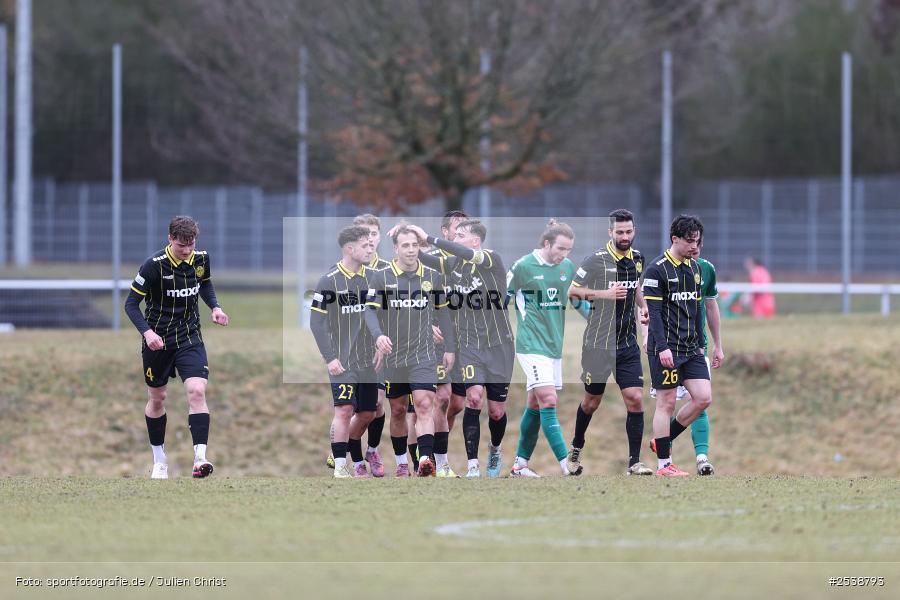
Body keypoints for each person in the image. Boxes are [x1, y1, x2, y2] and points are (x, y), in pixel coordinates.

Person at [403, 220, 514, 478]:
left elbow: (461, 253)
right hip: (469, 346)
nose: (455, 238)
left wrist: (429, 238)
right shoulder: (453, 265)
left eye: (461, 235)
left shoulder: (490, 259)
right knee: (473, 398)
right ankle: (473, 464)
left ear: (475, 241)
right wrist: (406, 238)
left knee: (497, 411)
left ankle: (495, 448)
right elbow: (421, 258)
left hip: (499, 345)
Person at [125, 216, 230, 480]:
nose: (187, 251)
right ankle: (160, 461)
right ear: (170, 238)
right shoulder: (153, 266)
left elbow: (204, 283)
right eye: (182, 245)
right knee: (157, 398)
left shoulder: (201, 258)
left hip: (189, 337)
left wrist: (215, 307)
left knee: (196, 391)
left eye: (191, 245)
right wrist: (147, 333)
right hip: (158, 342)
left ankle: (200, 458)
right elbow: (130, 305)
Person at [566, 209, 653, 476]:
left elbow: (635, 287)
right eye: (620, 232)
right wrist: (604, 293)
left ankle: (634, 462)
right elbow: (572, 292)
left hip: (626, 343)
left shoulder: (638, 258)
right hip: (597, 345)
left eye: (629, 231)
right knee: (592, 402)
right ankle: (577, 448)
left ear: (634, 231)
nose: (625, 236)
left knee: (635, 398)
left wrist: (643, 306)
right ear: (610, 233)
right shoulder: (595, 261)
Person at [364, 225, 455, 477]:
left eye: (415, 245)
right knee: (399, 410)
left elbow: (443, 312)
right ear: (395, 249)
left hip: (423, 354)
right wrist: (378, 335)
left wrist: (449, 347)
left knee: (425, 404)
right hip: (394, 356)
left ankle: (425, 459)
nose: (411, 250)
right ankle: (402, 461)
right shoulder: (381, 277)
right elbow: (369, 310)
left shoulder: (432, 277)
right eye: (406, 245)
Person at [646, 236, 724, 475]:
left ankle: (665, 440)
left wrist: (709, 344)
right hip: (668, 348)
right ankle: (664, 464)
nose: (695, 247)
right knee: (666, 402)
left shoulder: (701, 269)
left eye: (699, 242)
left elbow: (704, 306)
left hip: (692, 348)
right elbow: (651, 312)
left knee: (703, 399)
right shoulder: (657, 270)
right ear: (675, 239)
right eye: (690, 241)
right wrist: (658, 345)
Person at [507, 220, 579, 477]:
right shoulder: (523, 266)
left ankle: (520, 464)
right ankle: (566, 464)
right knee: (548, 399)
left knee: (536, 405)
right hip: (530, 344)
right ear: (546, 244)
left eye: (569, 250)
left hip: (553, 346)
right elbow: (500, 300)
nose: (565, 255)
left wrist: (597, 321)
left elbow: (576, 298)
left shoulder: (567, 267)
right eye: (561, 248)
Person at [309, 226, 379, 478]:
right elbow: (316, 323)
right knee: (344, 410)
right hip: (343, 360)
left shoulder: (373, 277)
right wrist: (331, 358)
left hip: (370, 361)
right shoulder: (329, 280)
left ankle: (338, 450)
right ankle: (340, 465)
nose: (370, 249)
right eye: (365, 245)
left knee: (368, 413)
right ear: (350, 249)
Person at [325, 214, 390, 476]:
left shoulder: (385, 270)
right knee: (349, 407)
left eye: (374, 234)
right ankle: (350, 456)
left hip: (379, 349)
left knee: (377, 405)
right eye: (365, 235)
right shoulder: (338, 273)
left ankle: (371, 450)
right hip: (350, 353)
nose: (370, 240)